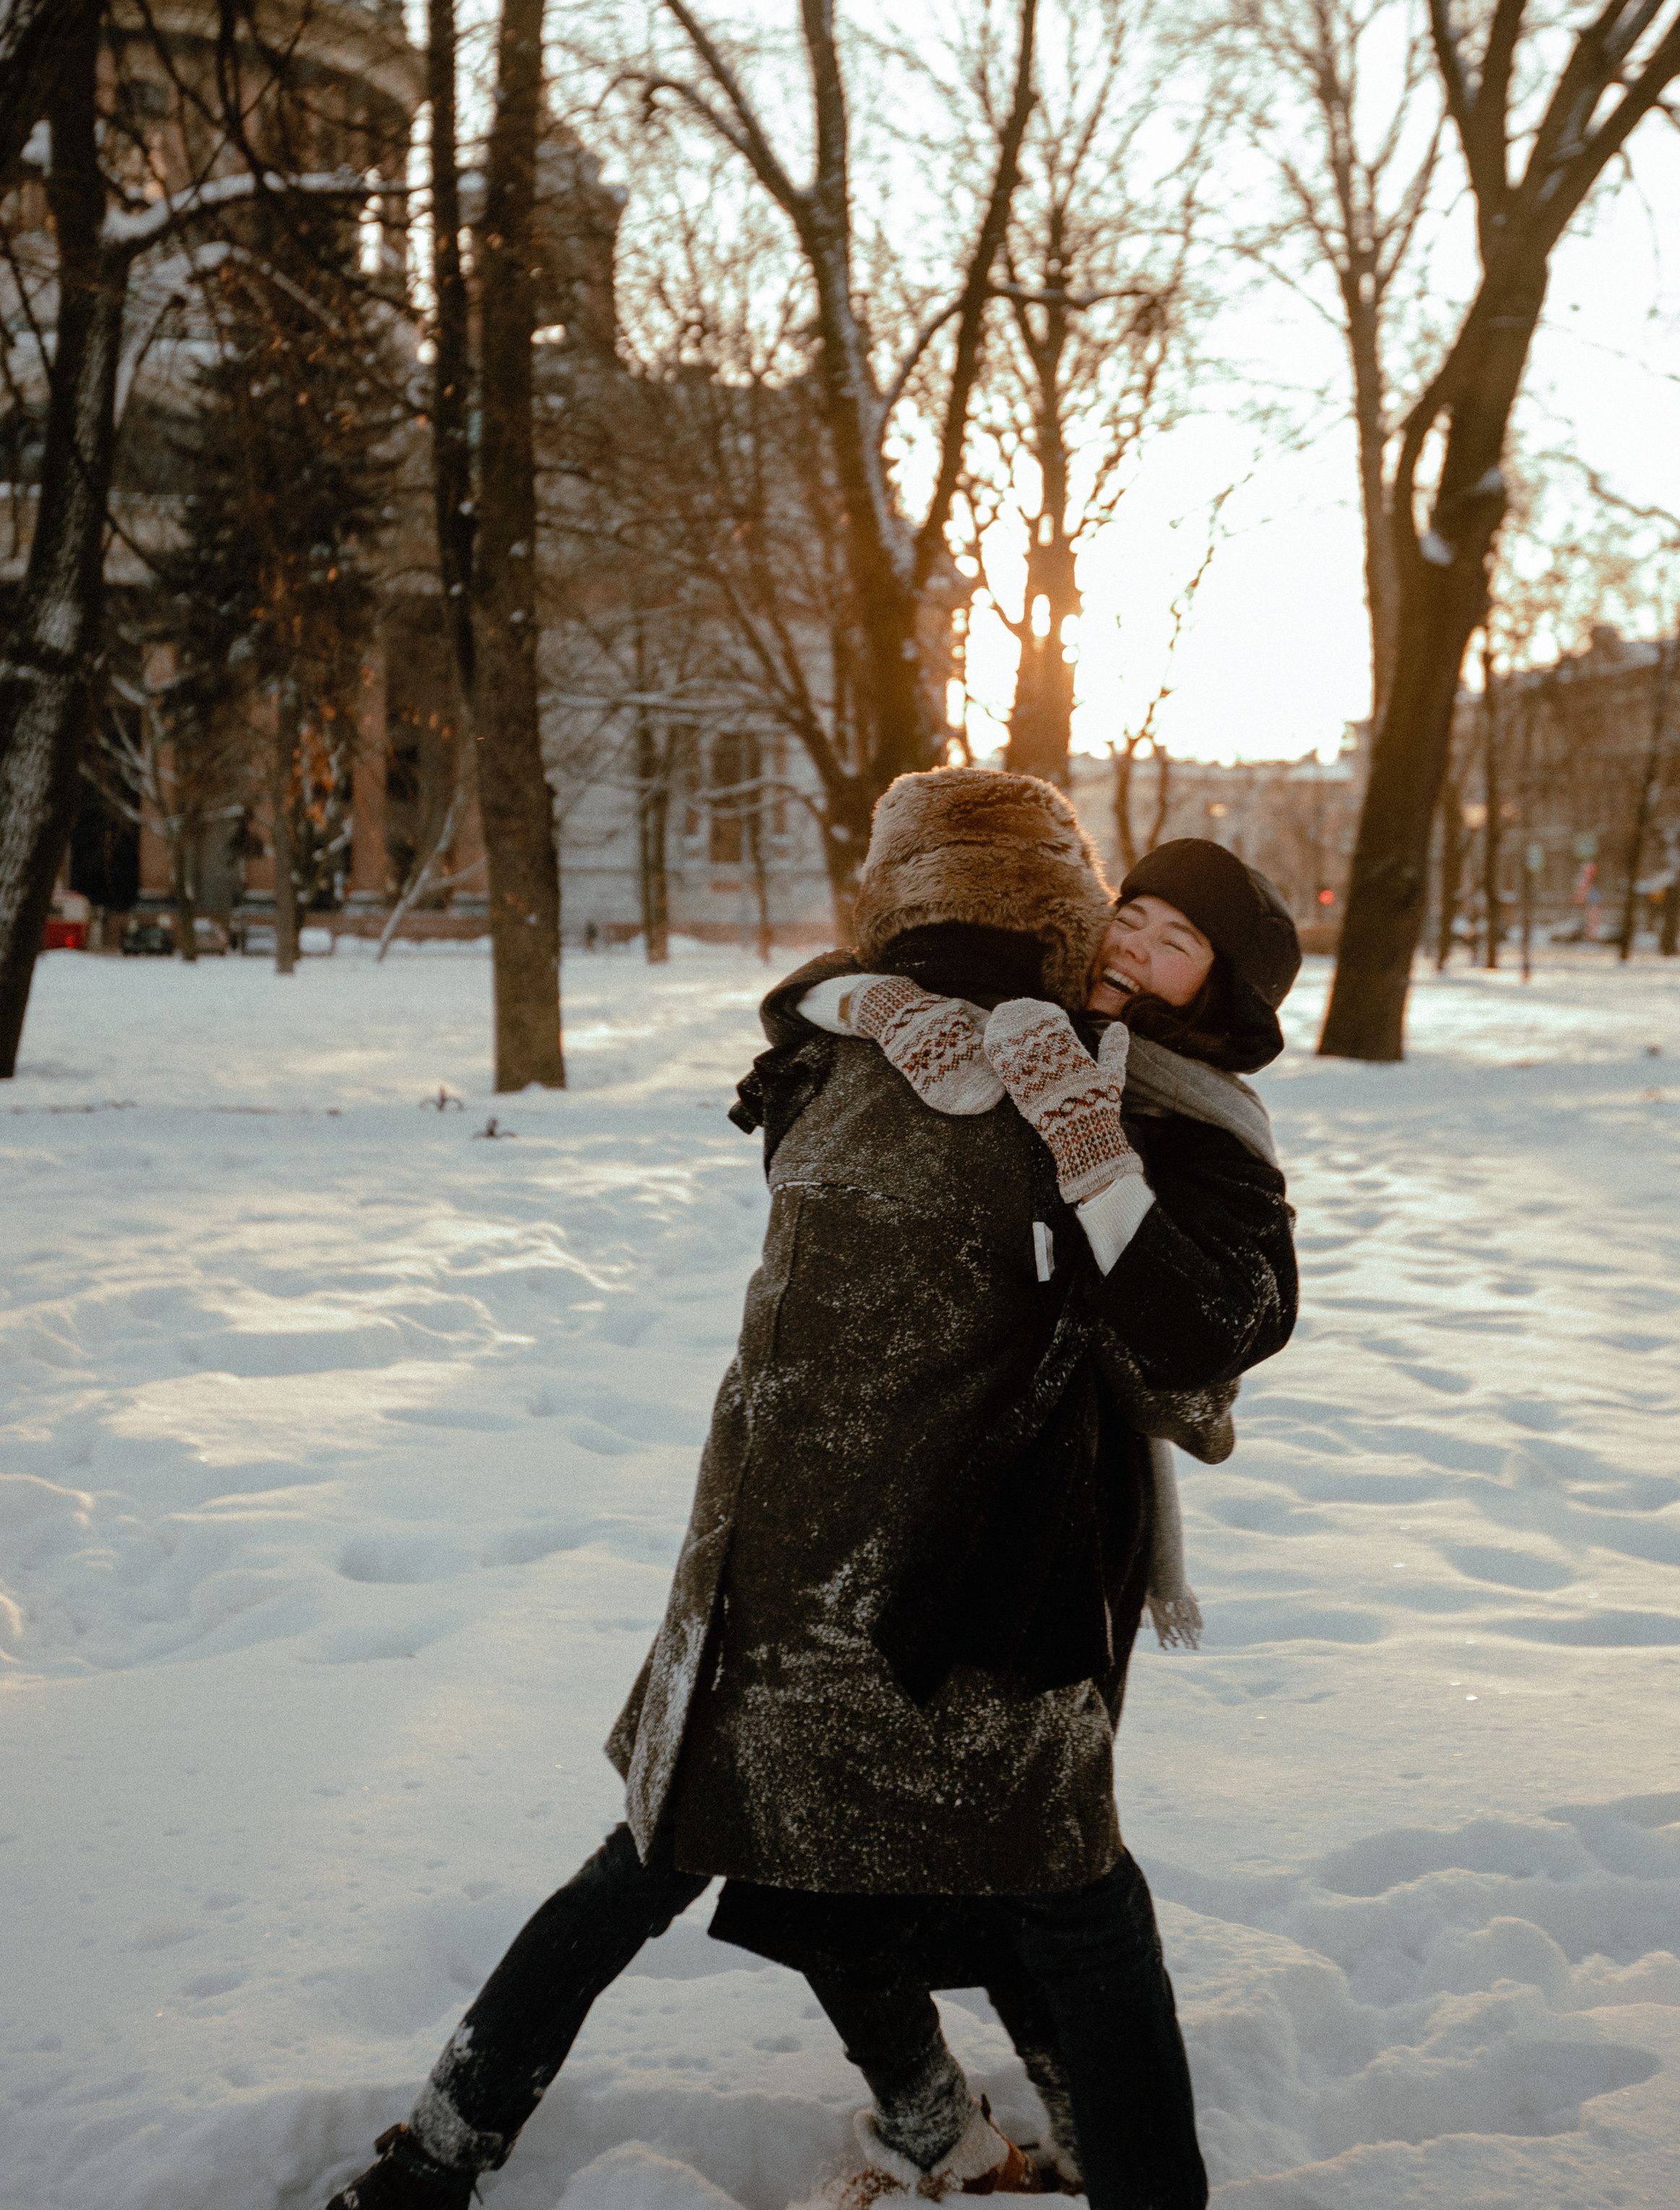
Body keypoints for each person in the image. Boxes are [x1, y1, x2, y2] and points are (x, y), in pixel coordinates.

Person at [321, 780, 1298, 2210]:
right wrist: (871, 1012)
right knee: (966, 1882)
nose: (1126, 952)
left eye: (1168, 943)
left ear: (1224, 992)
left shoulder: (1181, 1118)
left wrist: (1089, 1142)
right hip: (851, 1562)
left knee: (952, 1880)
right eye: (1121, 919)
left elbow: (1210, 1329)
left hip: (979, 1550)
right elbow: (824, 1000)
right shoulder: (922, 1049)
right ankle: (952, 2128)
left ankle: (991, 2135)